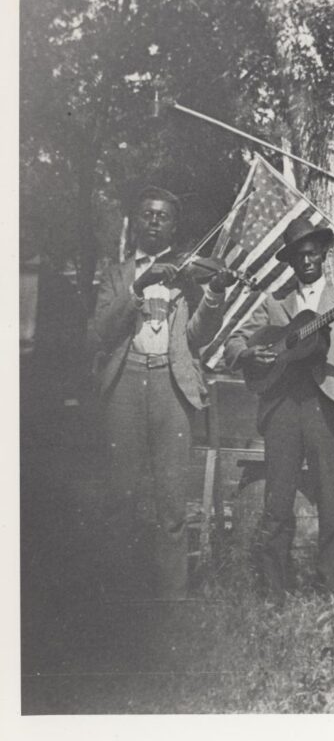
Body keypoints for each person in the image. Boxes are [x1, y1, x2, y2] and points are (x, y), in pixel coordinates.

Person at [91, 186, 236, 600]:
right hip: (125, 383)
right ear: (137, 221)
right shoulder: (117, 272)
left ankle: (172, 600)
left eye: (163, 216)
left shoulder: (187, 273)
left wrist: (215, 294)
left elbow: (198, 338)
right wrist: (139, 287)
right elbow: (99, 333)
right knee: (121, 494)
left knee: (172, 501)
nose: (154, 221)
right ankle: (117, 596)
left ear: (174, 225)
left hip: (171, 386)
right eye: (148, 214)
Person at [224, 219, 334, 603]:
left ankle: (331, 590)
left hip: (325, 406)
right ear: (290, 261)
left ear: (323, 254)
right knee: (278, 499)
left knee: (332, 499)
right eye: (298, 255)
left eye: (312, 253)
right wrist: (247, 353)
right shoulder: (276, 301)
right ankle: (273, 589)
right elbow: (235, 341)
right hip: (282, 406)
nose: (306, 260)